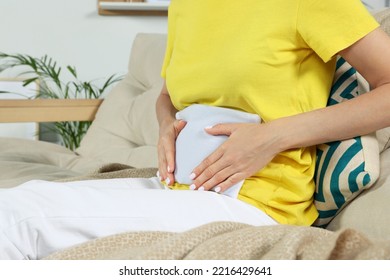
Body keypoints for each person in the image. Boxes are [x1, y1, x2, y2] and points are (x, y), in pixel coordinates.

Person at [1, 0, 389, 260]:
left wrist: (274, 136)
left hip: (253, 201)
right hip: (173, 186)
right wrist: (167, 125)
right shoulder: (187, 5)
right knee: (21, 201)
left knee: (20, 217)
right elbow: (168, 95)